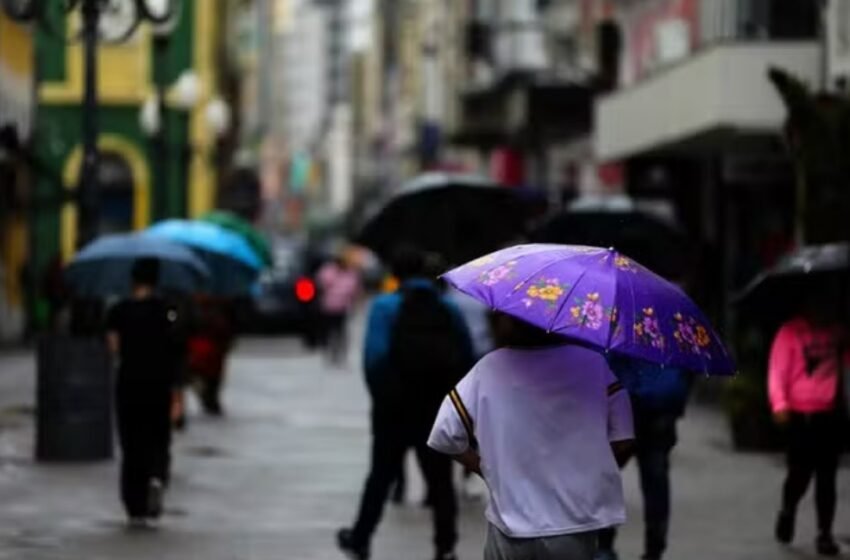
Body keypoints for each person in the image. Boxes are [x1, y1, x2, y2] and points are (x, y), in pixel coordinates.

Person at [428, 314, 634, 560]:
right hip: (574, 525)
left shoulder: (489, 367)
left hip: (510, 527)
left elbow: (444, 434)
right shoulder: (594, 365)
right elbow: (624, 438)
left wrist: (486, 469)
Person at [337, 246, 474, 560]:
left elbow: (375, 359)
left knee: (380, 476)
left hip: (394, 410)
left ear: (395, 274)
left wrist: (384, 399)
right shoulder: (448, 307)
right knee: (440, 480)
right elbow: (466, 356)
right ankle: (445, 546)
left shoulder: (385, 307)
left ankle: (360, 539)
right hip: (435, 408)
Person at [770, 292, 846, 557]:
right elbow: (777, 371)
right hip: (800, 416)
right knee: (799, 474)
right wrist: (780, 404)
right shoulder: (790, 332)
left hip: (828, 414)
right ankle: (788, 509)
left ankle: (824, 533)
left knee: (827, 478)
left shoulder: (838, 332)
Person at [106, 258, 180, 527]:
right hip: (159, 384)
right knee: (159, 438)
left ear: (133, 279)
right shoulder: (167, 310)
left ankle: (134, 505)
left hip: (129, 384)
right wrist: (177, 392)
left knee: (131, 444)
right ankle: (157, 476)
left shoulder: (118, 311)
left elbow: (113, 348)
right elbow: (175, 349)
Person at [595, 358, 691, 560]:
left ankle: (604, 544)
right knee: (655, 480)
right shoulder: (668, 327)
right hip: (659, 401)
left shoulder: (613, 326)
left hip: (621, 398)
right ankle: (654, 548)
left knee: (605, 474)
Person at [316, 254, 362, 366]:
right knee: (329, 332)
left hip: (343, 307)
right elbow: (320, 286)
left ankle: (341, 355)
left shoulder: (351, 274)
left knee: (341, 332)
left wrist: (355, 304)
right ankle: (330, 353)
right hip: (329, 307)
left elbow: (355, 291)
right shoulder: (327, 271)